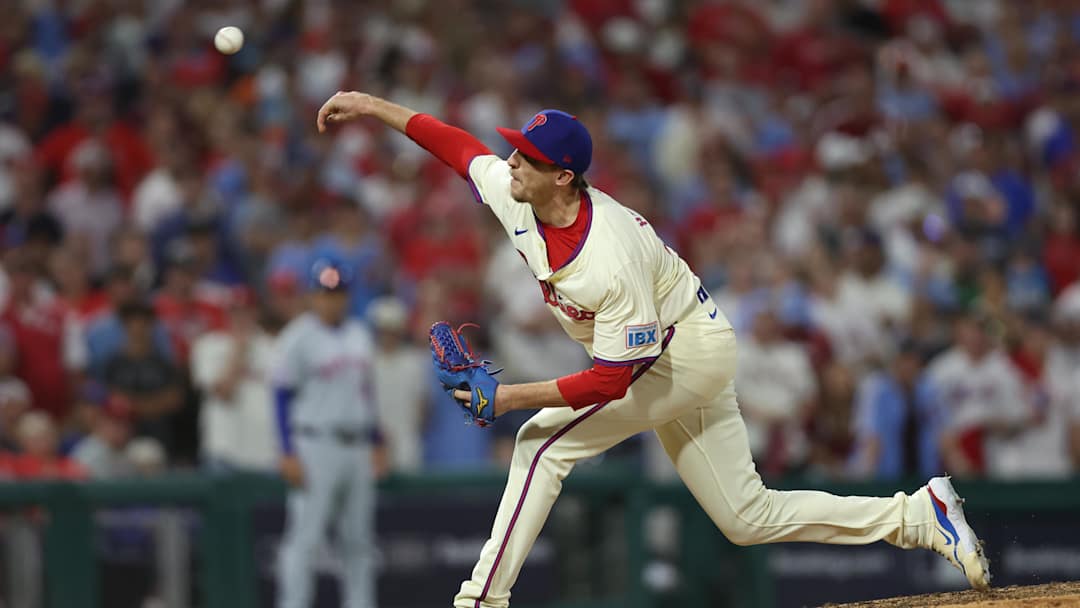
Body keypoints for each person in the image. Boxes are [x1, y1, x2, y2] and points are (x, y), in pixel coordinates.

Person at [315, 92, 991, 607]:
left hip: (683, 355)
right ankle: (915, 514)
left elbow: (611, 382)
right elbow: (456, 146)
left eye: (529, 157)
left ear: (565, 179)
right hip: (674, 350)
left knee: (541, 442)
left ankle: (481, 599)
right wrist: (371, 106)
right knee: (746, 516)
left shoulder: (609, 257)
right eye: (517, 150)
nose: (512, 161)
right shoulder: (521, 193)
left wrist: (513, 399)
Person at [270, 259, 381, 608]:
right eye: (324, 293)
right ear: (312, 296)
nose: (331, 300)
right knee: (305, 540)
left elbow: (366, 391)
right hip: (314, 444)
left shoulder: (359, 333)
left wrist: (378, 440)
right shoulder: (298, 337)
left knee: (359, 542)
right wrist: (287, 451)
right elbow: (280, 394)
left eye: (338, 293)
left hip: (357, 445)